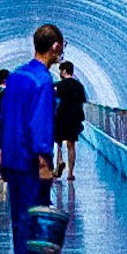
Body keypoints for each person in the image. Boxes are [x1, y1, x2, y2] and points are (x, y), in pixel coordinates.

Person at [0, 23, 64, 254]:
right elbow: (40, 123)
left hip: (13, 156)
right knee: (35, 220)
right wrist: (45, 161)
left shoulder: (17, 77)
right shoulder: (43, 81)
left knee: (20, 221)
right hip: (30, 161)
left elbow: (2, 118)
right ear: (56, 46)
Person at [50, 43, 88, 236]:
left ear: (64, 71)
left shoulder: (59, 86)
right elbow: (84, 101)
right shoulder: (79, 86)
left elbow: (52, 98)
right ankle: (71, 172)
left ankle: (59, 164)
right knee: (72, 144)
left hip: (61, 117)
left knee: (58, 144)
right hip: (75, 118)